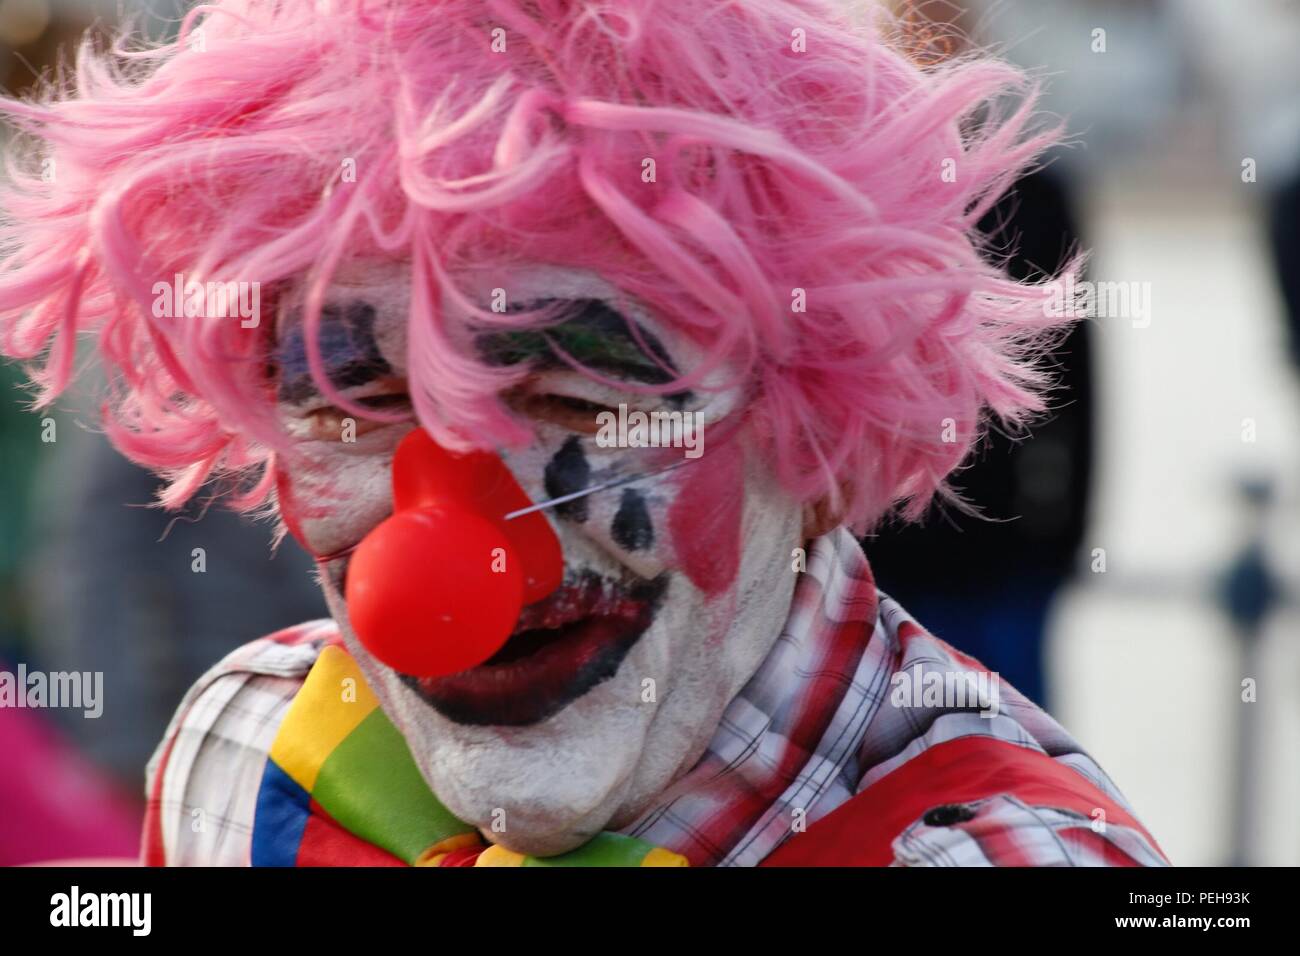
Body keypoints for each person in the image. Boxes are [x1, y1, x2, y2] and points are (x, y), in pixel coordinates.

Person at [0, 0, 1165, 867]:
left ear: (806, 434)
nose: (447, 550)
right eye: (349, 396)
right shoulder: (242, 759)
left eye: (579, 388)